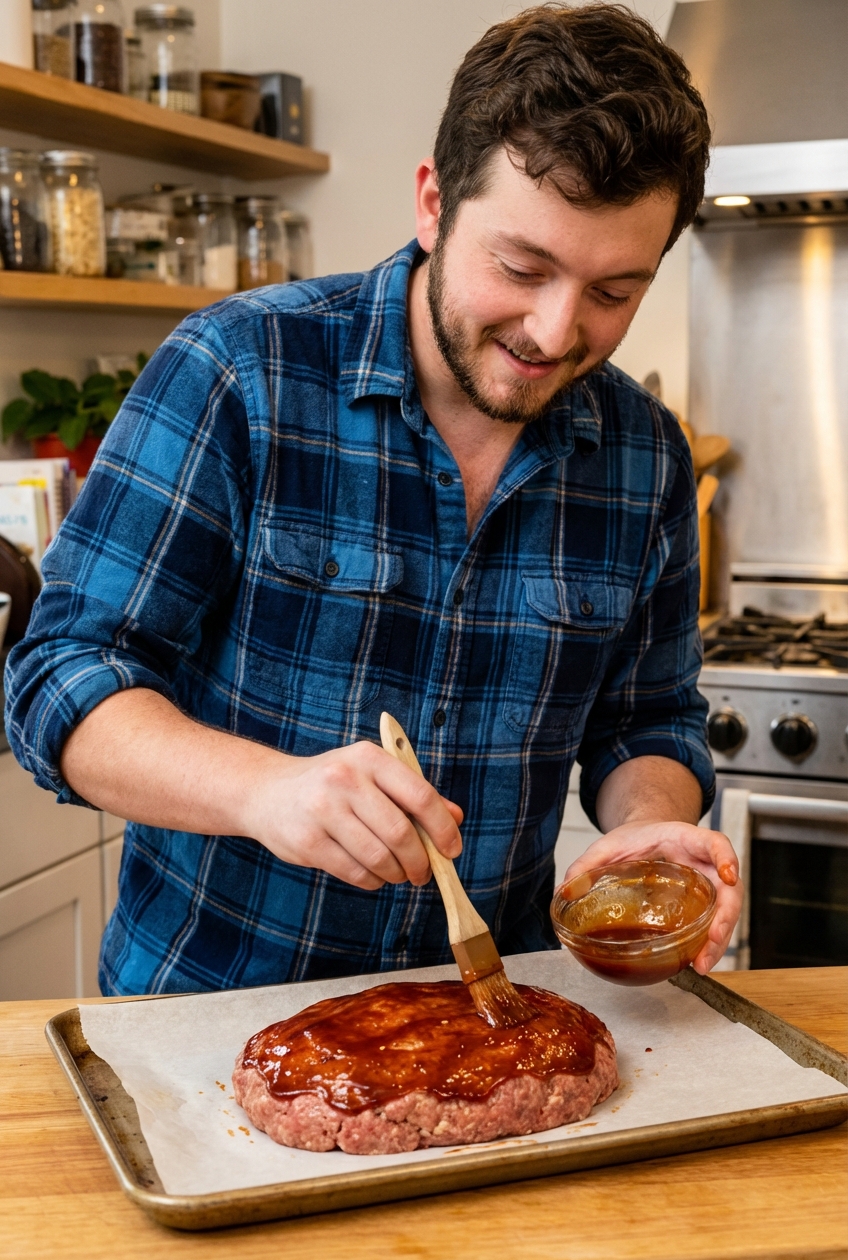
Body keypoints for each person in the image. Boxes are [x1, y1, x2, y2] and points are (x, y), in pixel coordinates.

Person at [4, 3, 741, 997]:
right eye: (520, 267)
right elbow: (58, 677)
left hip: (488, 1020)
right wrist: (264, 789)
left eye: (613, 292)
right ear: (433, 203)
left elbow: (647, 718)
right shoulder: (240, 370)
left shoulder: (643, 454)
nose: (554, 329)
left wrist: (650, 819)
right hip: (209, 1017)